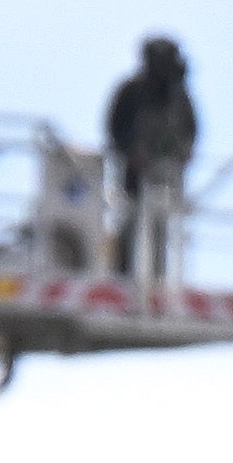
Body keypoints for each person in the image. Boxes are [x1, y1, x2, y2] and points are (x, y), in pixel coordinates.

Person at [98, 31, 198, 279]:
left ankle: (158, 276)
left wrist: (182, 152)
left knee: (161, 224)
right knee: (130, 218)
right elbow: (114, 128)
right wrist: (130, 150)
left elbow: (191, 130)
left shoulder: (179, 97)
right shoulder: (130, 91)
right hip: (134, 171)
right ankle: (123, 273)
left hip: (168, 170)